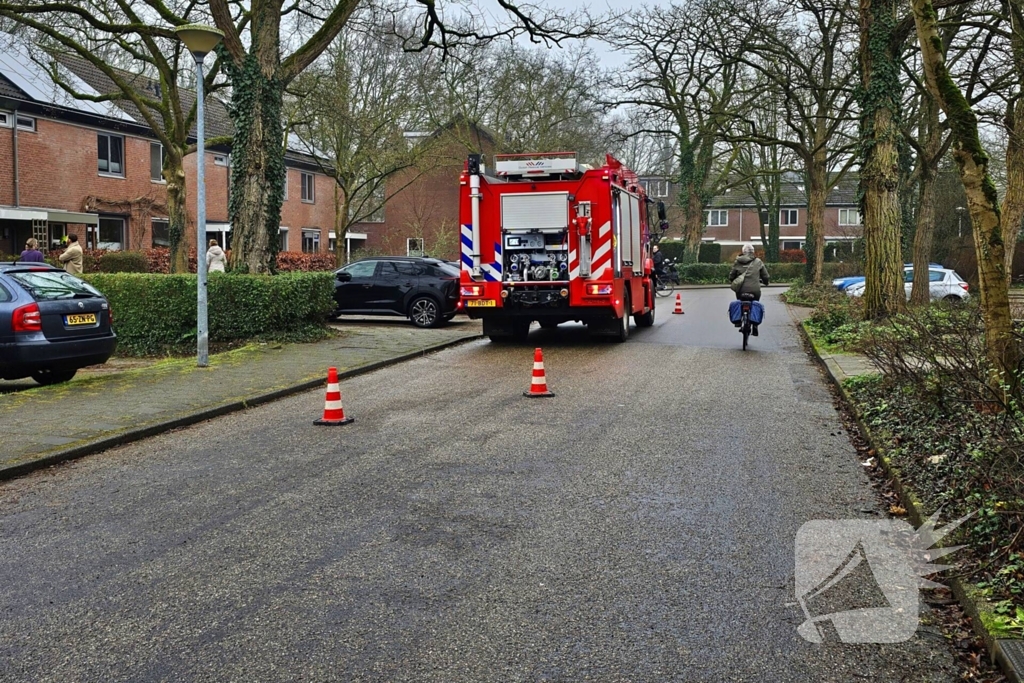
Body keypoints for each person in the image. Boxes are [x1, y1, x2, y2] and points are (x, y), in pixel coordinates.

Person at [729, 243, 770, 335]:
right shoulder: (758, 261)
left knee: (739, 300)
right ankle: (755, 326)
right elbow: (765, 275)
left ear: (743, 252)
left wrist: (733, 280)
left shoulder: (738, 261)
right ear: (753, 252)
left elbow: (732, 275)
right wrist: (766, 282)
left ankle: (739, 320)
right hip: (754, 290)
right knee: (755, 302)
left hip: (741, 291)